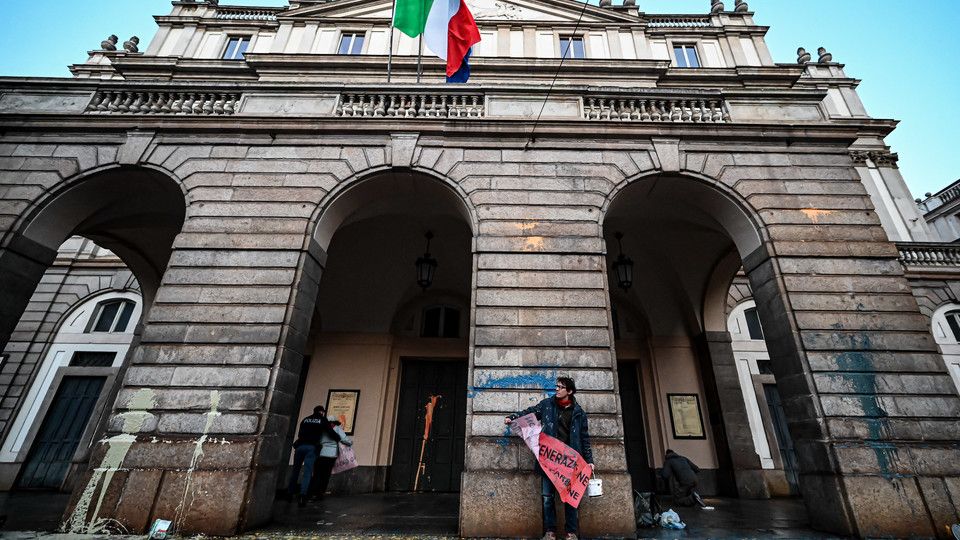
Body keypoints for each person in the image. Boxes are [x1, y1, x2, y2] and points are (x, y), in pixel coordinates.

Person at [504, 377, 593, 540]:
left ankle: (571, 533)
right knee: (547, 497)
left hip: (570, 463)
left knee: (570, 499)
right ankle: (550, 532)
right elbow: (530, 412)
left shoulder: (579, 413)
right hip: (548, 461)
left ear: (570, 391)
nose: (557, 389)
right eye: (557, 386)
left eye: (561, 387)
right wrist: (513, 417)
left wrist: (590, 461)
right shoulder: (546, 405)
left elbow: (584, 438)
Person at [286, 406, 340, 506]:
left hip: (300, 447)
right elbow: (330, 432)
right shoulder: (322, 420)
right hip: (311, 447)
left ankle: (289, 494)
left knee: (295, 471)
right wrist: (337, 437)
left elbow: (300, 433)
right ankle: (303, 496)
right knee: (307, 472)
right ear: (321, 412)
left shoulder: (305, 419)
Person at [310, 415, 352, 499]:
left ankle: (312, 492)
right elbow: (344, 439)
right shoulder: (337, 429)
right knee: (326, 474)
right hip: (331, 455)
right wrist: (350, 442)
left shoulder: (322, 429)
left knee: (317, 474)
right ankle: (320, 493)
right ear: (335, 422)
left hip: (320, 453)